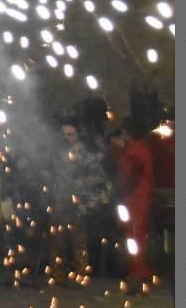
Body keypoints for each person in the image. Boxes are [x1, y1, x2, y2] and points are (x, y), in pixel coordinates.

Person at [47, 121, 108, 286]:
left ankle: (80, 275)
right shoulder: (55, 155)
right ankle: (57, 274)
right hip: (59, 201)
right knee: (57, 239)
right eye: (64, 135)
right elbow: (49, 174)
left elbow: (99, 177)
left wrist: (81, 184)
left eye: (70, 135)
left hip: (78, 202)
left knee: (78, 240)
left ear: (76, 136)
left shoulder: (86, 156)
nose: (66, 138)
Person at [109, 121, 156, 282]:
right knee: (136, 233)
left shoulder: (132, 152)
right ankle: (139, 268)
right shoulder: (140, 150)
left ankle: (138, 270)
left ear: (128, 134)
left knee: (134, 234)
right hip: (140, 197)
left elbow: (126, 177)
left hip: (134, 198)